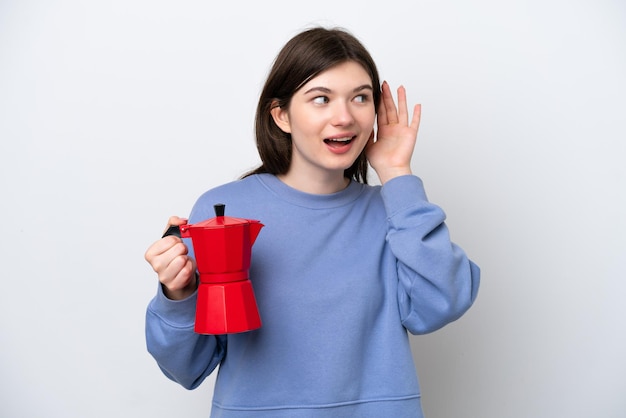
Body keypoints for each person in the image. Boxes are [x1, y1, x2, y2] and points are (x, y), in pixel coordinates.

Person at [144, 26, 480, 418]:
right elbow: (186, 367)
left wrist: (398, 174)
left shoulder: (394, 210)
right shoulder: (223, 210)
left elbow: (442, 303)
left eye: (360, 98)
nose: (344, 117)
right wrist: (178, 295)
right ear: (281, 115)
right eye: (321, 99)